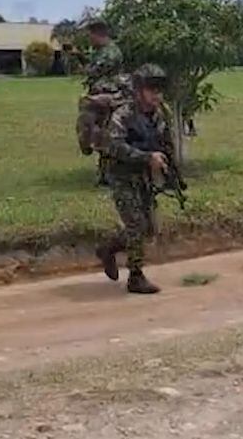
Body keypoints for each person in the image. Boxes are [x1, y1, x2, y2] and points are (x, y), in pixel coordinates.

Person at [95, 64, 173, 294]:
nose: (156, 95)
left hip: (143, 176)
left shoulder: (159, 115)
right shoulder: (124, 115)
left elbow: (163, 143)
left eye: (159, 90)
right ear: (138, 91)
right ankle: (136, 277)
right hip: (121, 176)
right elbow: (114, 146)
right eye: (151, 89)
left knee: (148, 228)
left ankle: (108, 248)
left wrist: (167, 169)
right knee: (136, 225)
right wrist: (146, 157)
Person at [78, 19, 128, 186]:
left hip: (109, 97)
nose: (89, 40)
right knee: (98, 133)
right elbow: (91, 66)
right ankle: (104, 171)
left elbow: (94, 71)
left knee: (105, 134)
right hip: (98, 96)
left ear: (98, 34)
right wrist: (79, 56)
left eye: (90, 36)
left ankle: (108, 171)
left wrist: (86, 68)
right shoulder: (99, 52)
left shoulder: (112, 52)